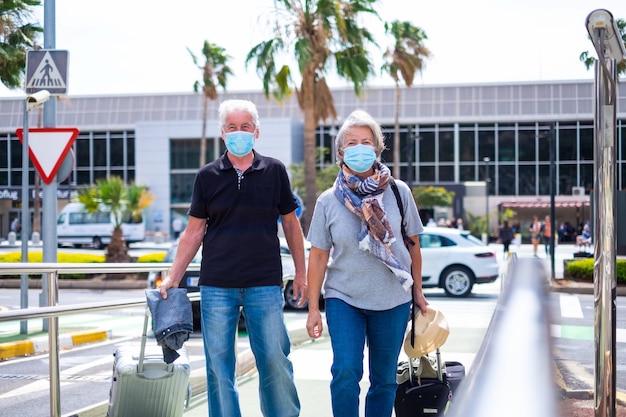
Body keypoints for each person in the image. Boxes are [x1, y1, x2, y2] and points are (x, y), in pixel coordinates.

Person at [158, 99, 306, 417]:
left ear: (257, 132)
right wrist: (172, 276)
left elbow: (291, 225)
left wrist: (302, 274)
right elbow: (194, 232)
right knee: (219, 368)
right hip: (217, 286)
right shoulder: (207, 176)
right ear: (222, 133)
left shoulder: (275, 171)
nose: (239, 132)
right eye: (232, 127)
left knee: (274, 360)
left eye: (245, 127)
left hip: (265, 284)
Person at [305, 109, 429, 417]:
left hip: (393, 299)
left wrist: (418, 290)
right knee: (346, 372)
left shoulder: (399, 192)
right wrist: (312, 308)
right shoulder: (328, 200)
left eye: (366, 141)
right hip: (344, 297)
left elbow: (412, 244)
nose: (359, 148)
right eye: (352, 143)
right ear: (341, 152)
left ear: (377, 148)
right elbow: (319, 256)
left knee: (384, 380)